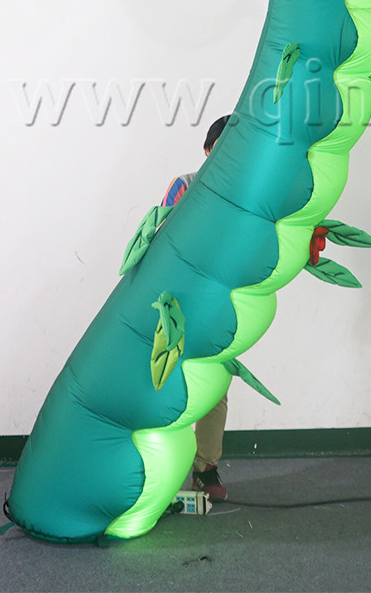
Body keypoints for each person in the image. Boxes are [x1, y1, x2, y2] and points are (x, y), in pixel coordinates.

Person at [161, 115, 232, 503]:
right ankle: (161, 474)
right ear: (207, 150)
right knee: (166, 383)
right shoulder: (184, 185)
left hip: (219, 305)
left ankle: (205, 469)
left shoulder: (248, 197)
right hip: (179, 302)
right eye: (221, 148)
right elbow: (165, 239)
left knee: (215, 388)